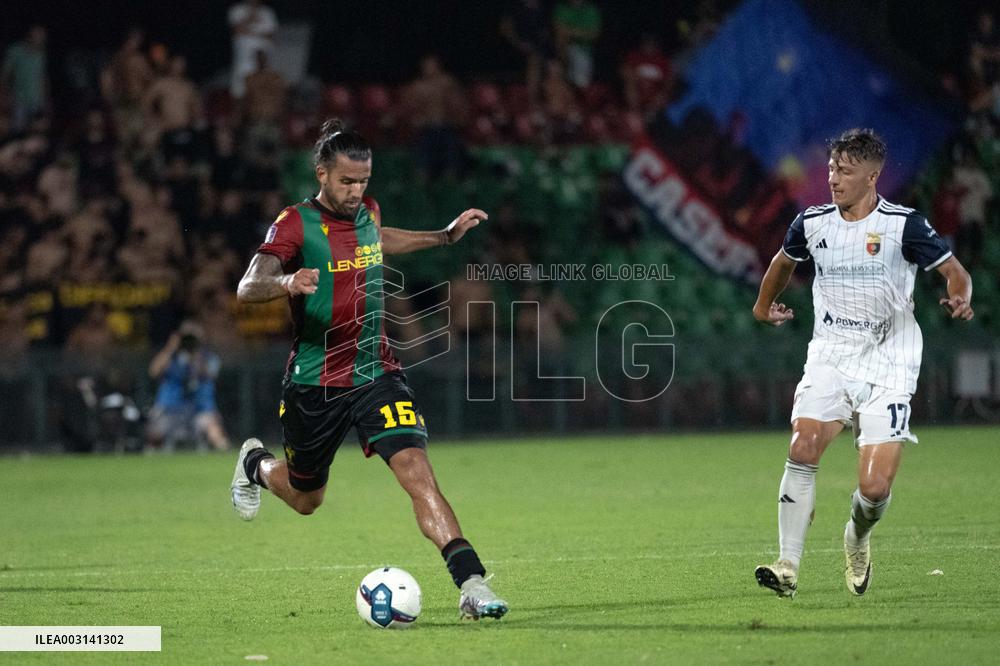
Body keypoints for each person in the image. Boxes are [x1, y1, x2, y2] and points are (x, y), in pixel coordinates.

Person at [230, 119, 509, 621]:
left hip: (377, 372)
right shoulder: (295, 223)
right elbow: (247, 287)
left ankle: (471, 583)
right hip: (315, 382)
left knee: (416, 471)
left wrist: (444, 237)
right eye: (346, 181)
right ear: (321, 174)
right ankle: (255, 465)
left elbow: (379, 239)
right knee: (306, 499)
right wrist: (287, 281)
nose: (356, 191)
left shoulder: (367, 212)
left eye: (363, 181)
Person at [751, 129, 974, 598]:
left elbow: (955, 272)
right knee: (803, 445)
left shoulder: (904, 225)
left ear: (873, 176)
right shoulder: (812, 223)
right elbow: (782, 262)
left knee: (873, 489)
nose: (833, 178)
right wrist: (762, 305)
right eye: (832, 168)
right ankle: (787, 566)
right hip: (831, 354)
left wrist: (959, 296)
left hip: (890, 362)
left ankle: (857, 535)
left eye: (845, 171)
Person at [147, 321, 230, 452]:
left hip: (199, 410)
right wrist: (171, 347)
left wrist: (196, 352)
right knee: (155, 433)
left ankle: (227, 454)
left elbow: (210, 373)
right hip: (171, 410)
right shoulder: (171, 358)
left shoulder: (208, 357)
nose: (188, 342)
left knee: (214, 430)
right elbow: (153, 371)